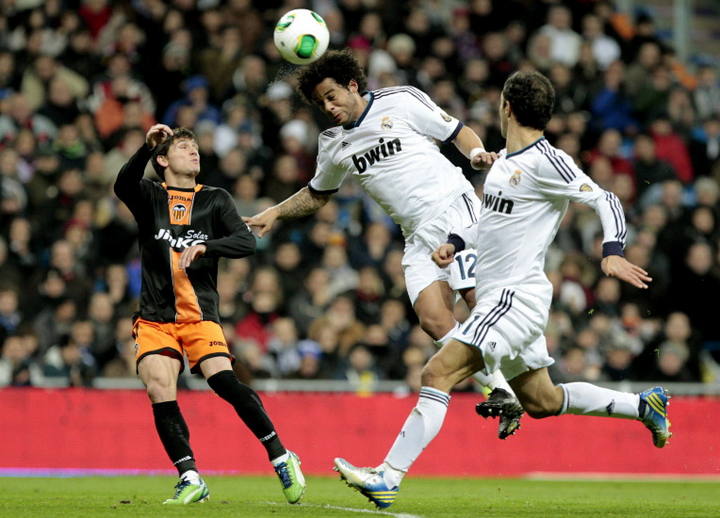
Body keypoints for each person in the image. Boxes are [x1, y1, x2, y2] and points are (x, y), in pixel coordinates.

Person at [333, 70, 671, 509]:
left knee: (437, 373)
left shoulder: (547, 161)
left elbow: (605, 199)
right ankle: (645, 406)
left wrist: (612, 250)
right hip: (504, 300)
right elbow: (491, 227)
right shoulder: (502, 166)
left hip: (515, 297)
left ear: (505, 106)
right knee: (543, 400)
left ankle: (388, 475)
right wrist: (454, 244)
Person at [244, 49, 524, 438]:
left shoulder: (402, 100)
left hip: (456, 211)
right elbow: (318, 192)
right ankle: (500, 388)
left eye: (332, 95)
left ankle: (525, 374)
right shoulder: (334, 143)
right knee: (433, 320)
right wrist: (276, 211)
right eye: (321, 102)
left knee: (477, 301)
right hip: (416, 235)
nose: (329, 107)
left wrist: (476, 153)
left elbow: (455, 131)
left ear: (353, 85)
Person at [113, 124, 305, 505]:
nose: (194, 152)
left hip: (199, 314)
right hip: (155, 317)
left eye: (196, 147)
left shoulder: (215, 199)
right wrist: (144, 148)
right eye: (184, 147)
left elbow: (246, 240)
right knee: (159, 388)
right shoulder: (149, 194)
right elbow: (122, 184)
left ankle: (282, 456)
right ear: (164, 160)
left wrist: (206, 245)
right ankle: (189, 477)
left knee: (223, 381)